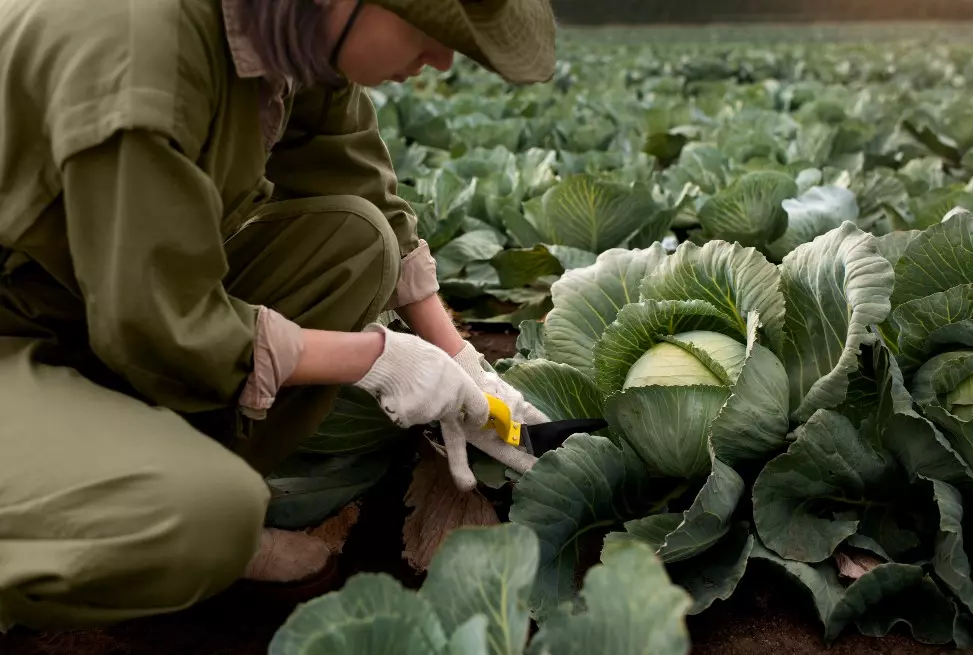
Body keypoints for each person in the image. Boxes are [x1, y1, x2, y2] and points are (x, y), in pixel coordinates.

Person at [0, 0, 556, 632]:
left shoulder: (285, 27)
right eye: (428, 31)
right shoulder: (140, 55)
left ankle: (143, 472)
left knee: (355, 241)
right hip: (27, 332)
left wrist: (464, 364)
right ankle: (93, 513)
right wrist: (379, 360)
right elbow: (159, 327)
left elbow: (355, 176)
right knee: (205, 516)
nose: (440, 59)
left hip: (82, 302)